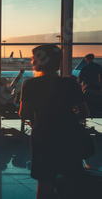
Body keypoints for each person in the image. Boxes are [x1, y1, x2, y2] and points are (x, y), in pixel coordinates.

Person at [19, 44, 90, 199]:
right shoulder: (70, 83)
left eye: (33, 59)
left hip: (43, 137)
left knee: (45, 182)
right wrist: (67, 118)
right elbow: (85, 112)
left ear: (41, 61)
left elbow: (24, 114)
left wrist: (39, 119)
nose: (32, 62)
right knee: (70, 181)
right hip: (69, 136)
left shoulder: (30, 84)